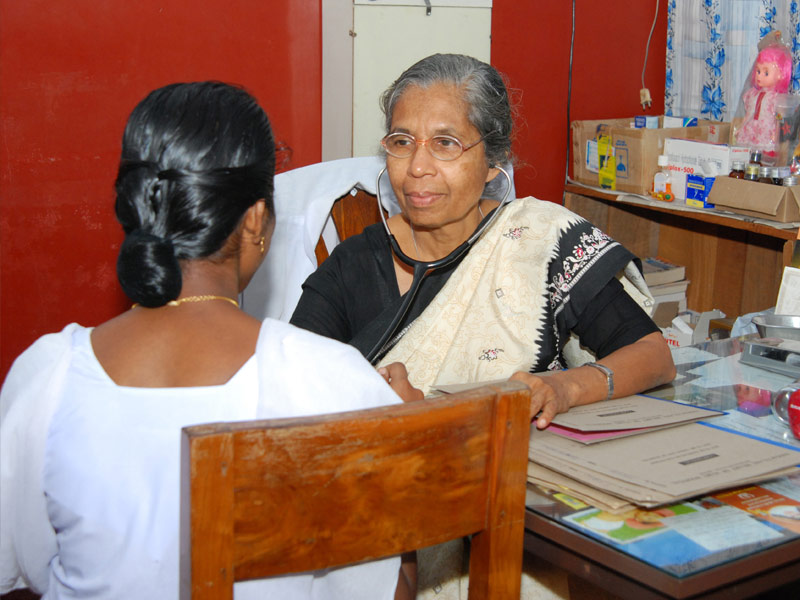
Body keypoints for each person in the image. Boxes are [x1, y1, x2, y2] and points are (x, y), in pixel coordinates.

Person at [0, 82, 421, 600]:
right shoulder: (331, 382)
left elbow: (29, 564)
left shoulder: (47, 376)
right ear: (255, 220)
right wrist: (405, 441)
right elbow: (388, 589)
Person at [290, 54, 676, 431]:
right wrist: (384, 408)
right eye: (402, 141)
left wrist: (565, 387)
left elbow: (654, 357)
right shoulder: (351, 265)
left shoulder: (538, 243)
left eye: (445, 143)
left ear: (493, 160)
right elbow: (292, 387)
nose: (417, 167)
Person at [735, 41, 793, 162]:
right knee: (744, 156)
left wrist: (776, 135)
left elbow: (779, 119)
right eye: (758, 71)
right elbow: (748, 114)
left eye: (766, 72)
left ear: (780, 75)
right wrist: (741, 127)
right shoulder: (751, 94)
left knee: (764, 160)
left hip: (766, 133)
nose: (759, 76)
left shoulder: (777, 98)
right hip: (750, 131)